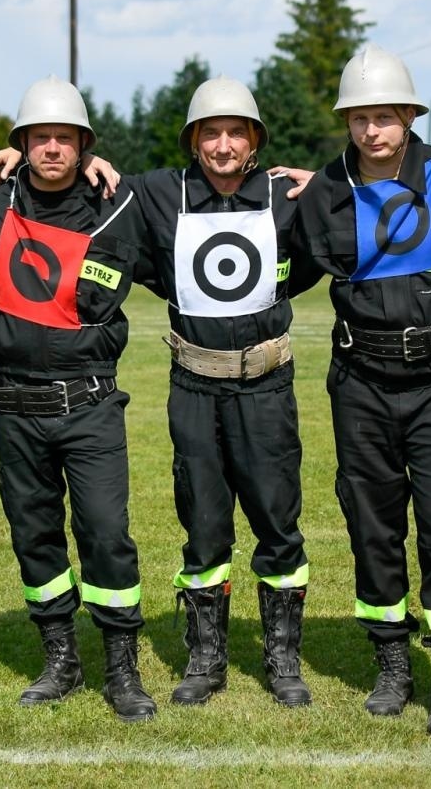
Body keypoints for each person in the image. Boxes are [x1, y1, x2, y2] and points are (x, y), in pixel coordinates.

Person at [290, 44, 431, 737]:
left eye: (385, 116)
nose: (372, 130)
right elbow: (276, 261)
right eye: (359, 118)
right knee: (373, 529)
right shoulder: (323, 191)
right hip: (362, 384)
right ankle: (392, 666)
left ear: (409, 115)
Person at [127, 77, 323, 707]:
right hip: (194, 384)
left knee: (277, 520)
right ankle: (206, 655)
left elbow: (341, 225)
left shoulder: (287, 195)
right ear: (193, 140)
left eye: (236, 131)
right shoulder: (160, 192)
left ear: (255, 139)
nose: (222, 143)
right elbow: (85, 189)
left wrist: (328, 183)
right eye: (209, 132)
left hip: (267, 383)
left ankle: (283, 656)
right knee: (204, 524)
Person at [0, 77, 156, 722]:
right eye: (39, 137)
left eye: (65, 138)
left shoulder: (116, 202)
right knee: (36, 537)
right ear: (21, 144)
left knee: (107, 534)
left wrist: (116, 170)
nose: (52, 148)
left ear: (84, 145)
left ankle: (122, 667)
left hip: (90, 404)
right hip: (15, 405)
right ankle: (60, 657)